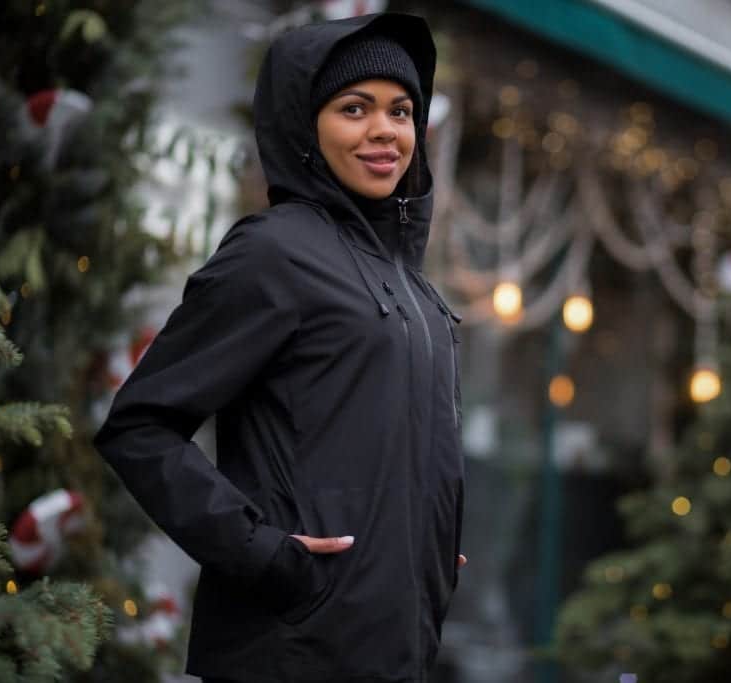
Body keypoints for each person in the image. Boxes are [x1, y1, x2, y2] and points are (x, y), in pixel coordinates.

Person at [93, 12, 465, 683]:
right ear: (304, 124)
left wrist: (424, 541)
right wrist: (261, 551)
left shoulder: (412, 285)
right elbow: (140, 426)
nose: (385, 130)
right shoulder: (273, 253)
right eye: (355, 108)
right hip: (289, 655)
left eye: (401, 110)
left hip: (394, 650)